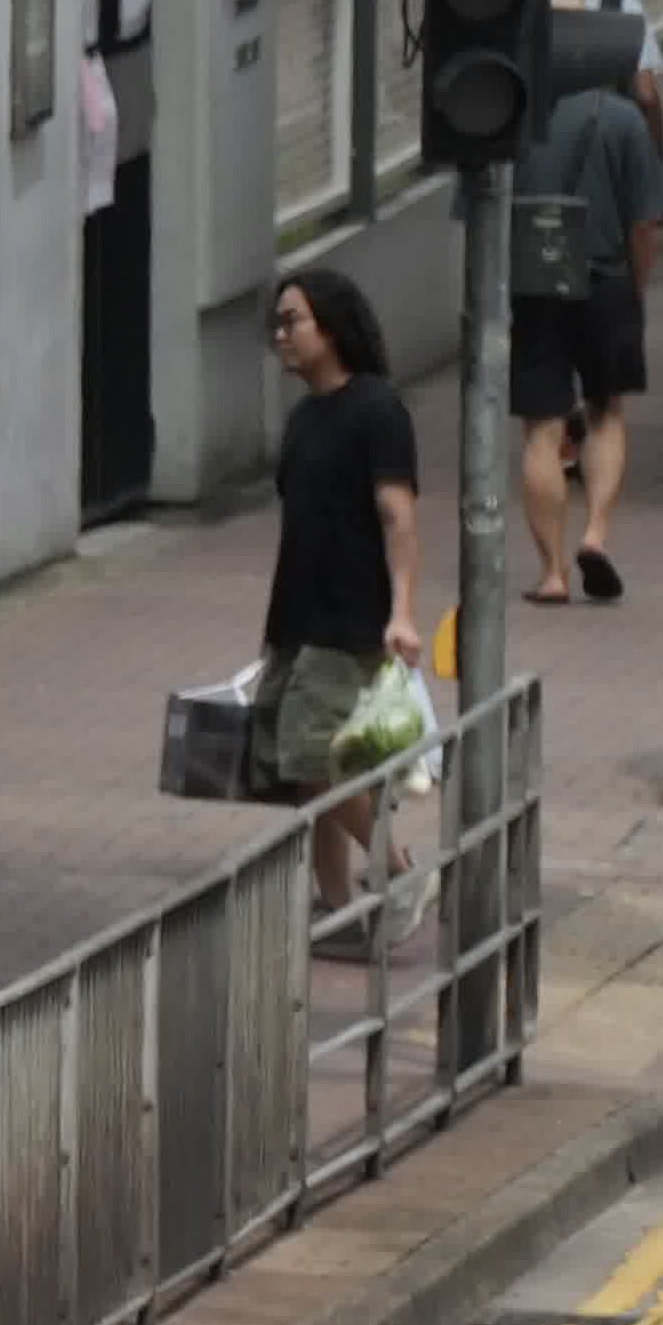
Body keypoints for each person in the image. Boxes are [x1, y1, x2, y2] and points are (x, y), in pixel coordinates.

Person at [255, 265, 421, 906]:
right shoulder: (303, 419)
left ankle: (400, 866)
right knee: (301, 773)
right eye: (278, 325)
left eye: (293, 321)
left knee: (310, 757)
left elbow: (398, 516)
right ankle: (335, 907)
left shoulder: (377, 409)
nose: (282, 336)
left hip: (348, 617)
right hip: (295, 616)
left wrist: (402, 611)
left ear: (332, 325)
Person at [508, 56, 663, 606]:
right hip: (607, 278)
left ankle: (551, 573)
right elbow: (646, 217)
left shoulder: (514, 118)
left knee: (541, 429)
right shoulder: (623, 120)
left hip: (534, 279)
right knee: (605, 410)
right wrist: (637, 285)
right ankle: (595, 534)